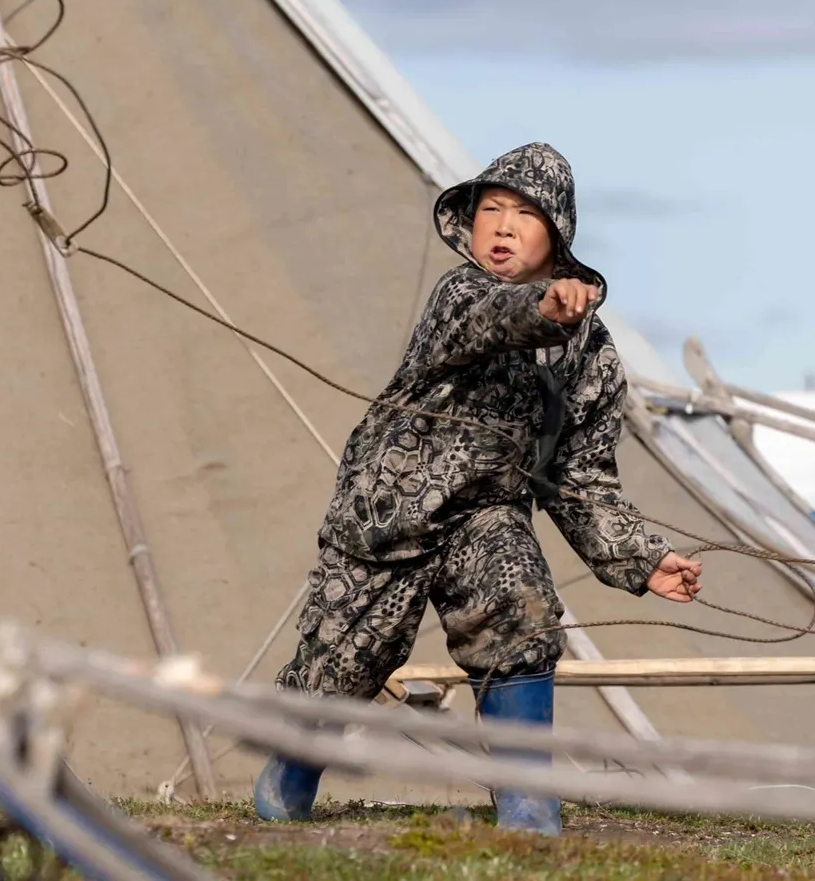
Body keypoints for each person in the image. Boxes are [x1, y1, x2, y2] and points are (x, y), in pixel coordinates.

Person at [254, 142, 703, 833]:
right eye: (490, 209)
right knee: (340, 668)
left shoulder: (595, 356)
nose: (501, 226)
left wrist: (643, 557)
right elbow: (496, 318)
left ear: (558, 233)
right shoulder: (459, 295)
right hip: (387, 516)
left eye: (524, 214)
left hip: (485, 515)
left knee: (520, 611)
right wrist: (543, 309)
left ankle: (527, 802)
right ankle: (289, 776)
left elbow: (580, 478)